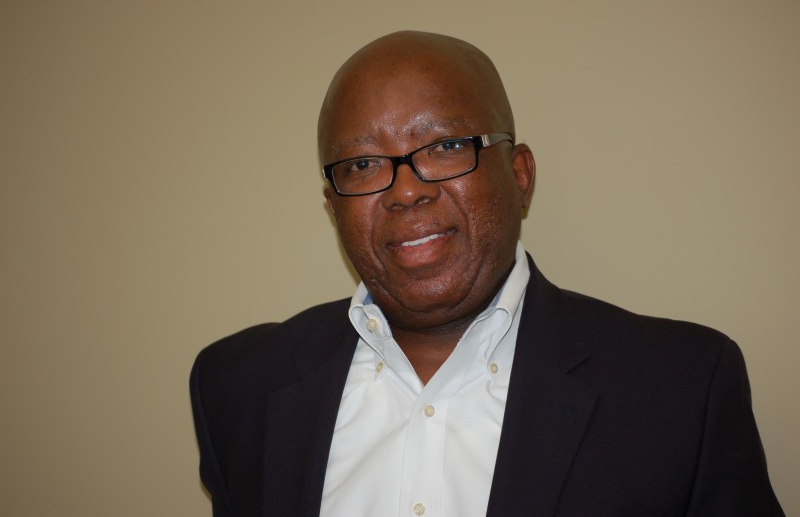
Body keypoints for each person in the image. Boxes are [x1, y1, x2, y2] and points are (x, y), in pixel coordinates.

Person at [190, 31, 783, 516]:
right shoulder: (238, 385)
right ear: (333, 205)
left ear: (519, 174)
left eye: (445, 146)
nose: (405, 189)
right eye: (365, 163)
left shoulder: (682, 388)